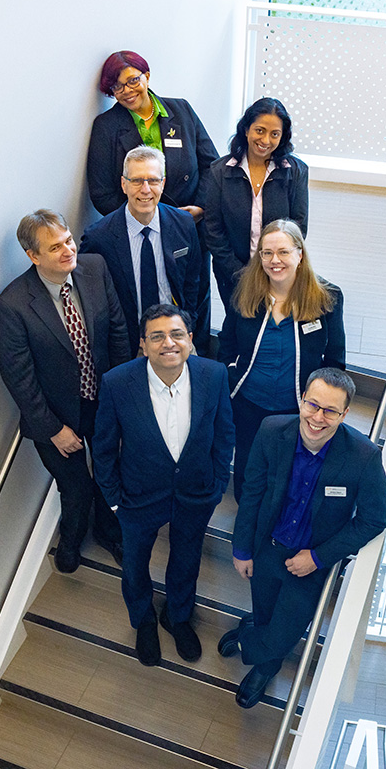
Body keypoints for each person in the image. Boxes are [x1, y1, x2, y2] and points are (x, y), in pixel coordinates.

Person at [219, 368, 386, 708]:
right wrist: (241, 548)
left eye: (330, 411)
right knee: (266, 610)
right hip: (266, 548)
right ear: (301, 400)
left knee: (284, 631)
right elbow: (252, 492)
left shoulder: (363, 457)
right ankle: (256, 628)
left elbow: (374, 519)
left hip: (311, 562)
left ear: (345, 414)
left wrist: (318, 557)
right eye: (313, 405)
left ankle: (257, 657)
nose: (318, 417)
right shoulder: (271, 430)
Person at [94, 304, 235, 666]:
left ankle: (177, 616)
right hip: (137, 498)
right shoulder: (117, 383)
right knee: (135, 565)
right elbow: (104, 447)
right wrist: (113, 500)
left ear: (190, 339)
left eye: (176, 334)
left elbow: (224, 434)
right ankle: (143, 621)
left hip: (196, 493)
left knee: (186, 560)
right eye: (156, 336)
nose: (167, 343)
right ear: (143, 345)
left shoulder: (214, 374)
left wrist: (218, 484)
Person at [0, 210, 130, 574]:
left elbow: (117, 333)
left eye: (68, 240)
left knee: (107, 473)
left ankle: (109, 532)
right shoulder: (13, 306)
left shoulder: (95, 269)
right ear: (33, 256)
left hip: (101, 400)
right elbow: (19, 379)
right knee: (75, 487)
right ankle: (70, 541)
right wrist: (53, 429)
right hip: (55, 415)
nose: (69, 250)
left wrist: (120, 403)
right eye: (55, 248)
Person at [87, 51, 218, 357]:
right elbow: (102, 191)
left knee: (192, 298)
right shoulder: (106, 126)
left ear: (146, 76)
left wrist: (198, 209)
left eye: (133, 80)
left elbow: (211, 165)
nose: (127, 90)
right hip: (138, 232)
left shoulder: (181, 110)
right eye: (116, 87)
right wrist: (141, 216)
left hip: (189, 226)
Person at [218, 220, 344, 508]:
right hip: (248, 407)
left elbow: (335, 360)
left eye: (284, 252)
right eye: (267, 253)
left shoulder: (328, 297)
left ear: (300, 254)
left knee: (288, 486)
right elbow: (227, 344)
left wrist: (321, 408)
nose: (275, 261)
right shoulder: (245, 290)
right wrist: (230, 380)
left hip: (297, 411)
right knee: (248, 484)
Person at [81, 146, 202, 353]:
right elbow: (92, 299)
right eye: (136, 181)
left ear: (163, 183)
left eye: (153, 180)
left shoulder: (184, 224)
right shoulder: (98, 237)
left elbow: (193, 282)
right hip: (129, 345)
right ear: (123, 184)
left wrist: (185, 326)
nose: (145, 189)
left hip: (175, 338)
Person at [203, 97, 308, 305]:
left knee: (272, 329)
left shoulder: (295, 171)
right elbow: (213, 230)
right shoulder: (220, 171)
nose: (266, 140)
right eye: (260, 130)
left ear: (283, 137)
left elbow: (298, 227)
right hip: (231, 274)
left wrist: (274, 268)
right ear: (246, 129)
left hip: (279, 272)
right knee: (238, 328)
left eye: (274, 134)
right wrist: (240, 274)